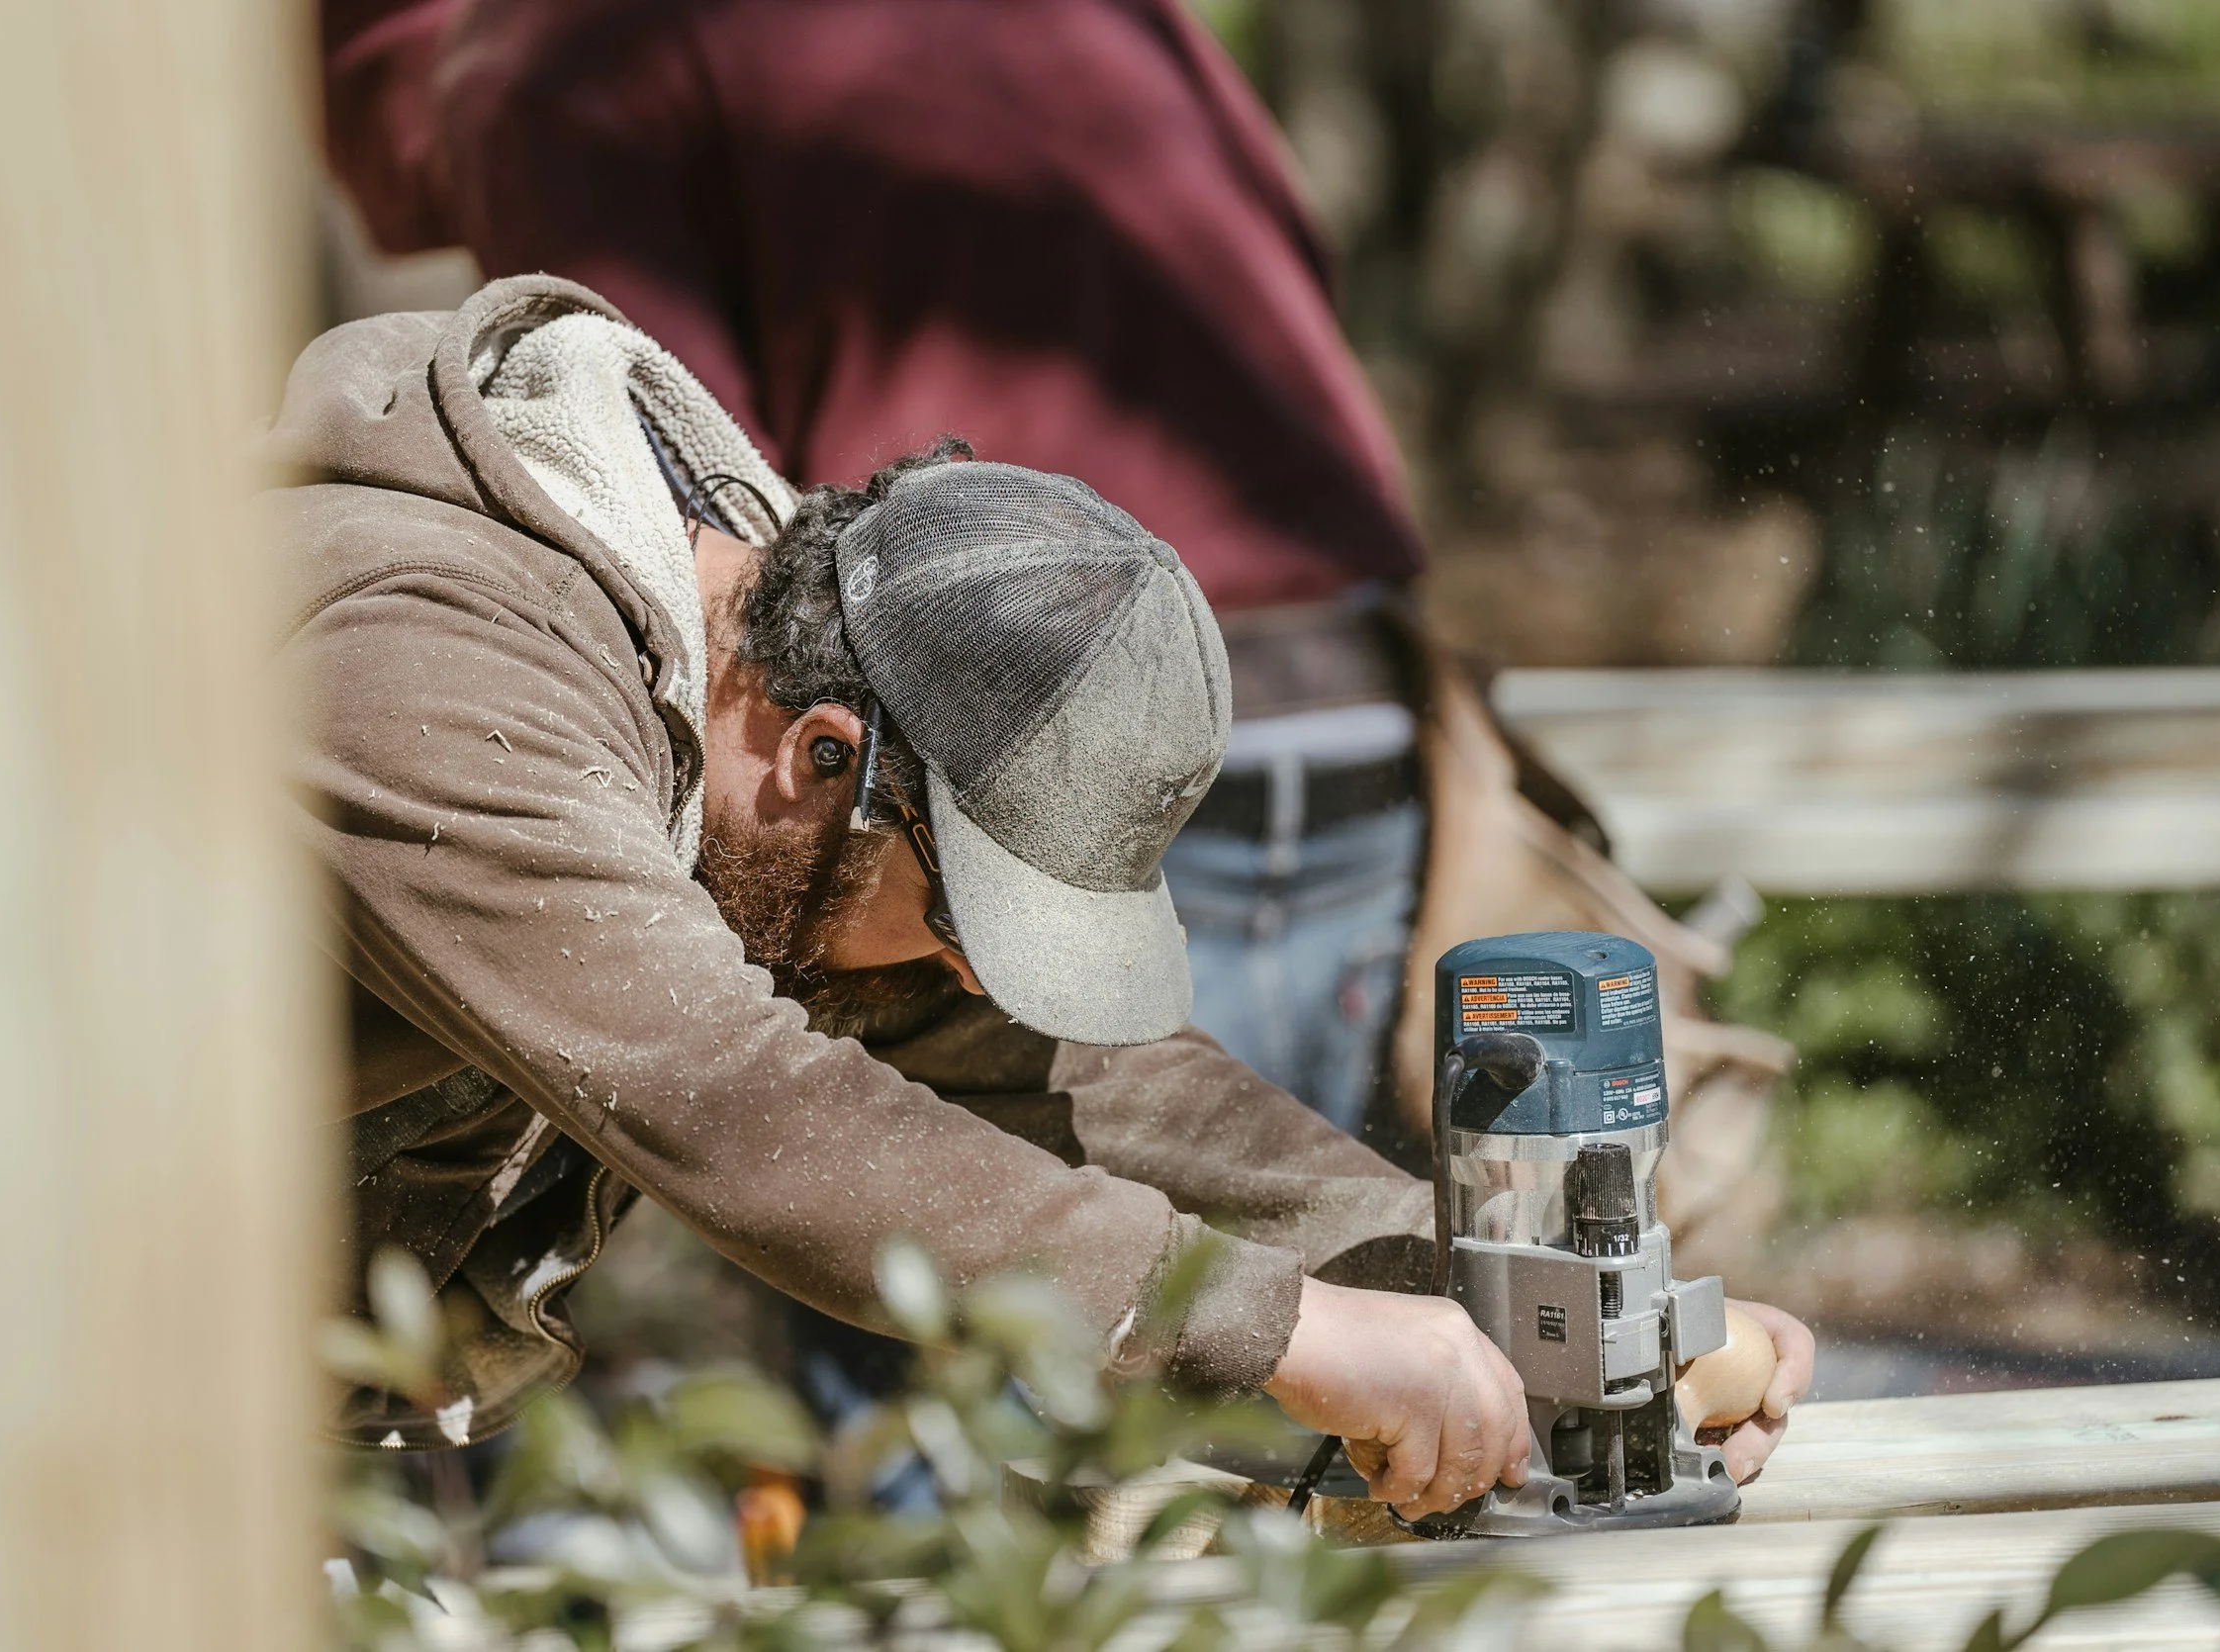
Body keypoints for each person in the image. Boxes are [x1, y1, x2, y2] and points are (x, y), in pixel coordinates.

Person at [270, 274, 1813, 1509]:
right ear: (826, 755)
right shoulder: (424, 663)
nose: (967, 982)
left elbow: (1076, 1082)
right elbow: (731, 1099)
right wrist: (1287, 1333)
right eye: (963, 921)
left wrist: (1528, 1312)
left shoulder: (782, 734)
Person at [320, 0, 1425, 1134]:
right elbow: (1293, 264)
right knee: (1339, 1274)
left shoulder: (550, 57)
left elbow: (686, 515)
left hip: (968, 739)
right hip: (1351, 690)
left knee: (915, 1200)